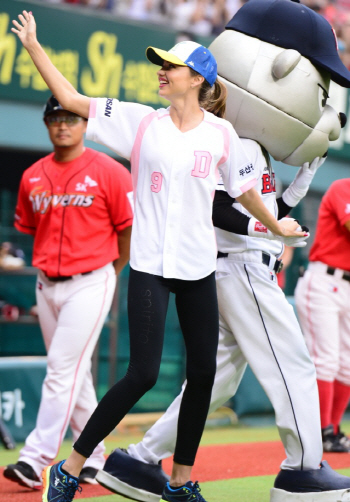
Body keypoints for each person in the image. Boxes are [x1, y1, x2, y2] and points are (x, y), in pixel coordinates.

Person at [11, 10, 307, 502]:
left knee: (204, 374)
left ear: (197, 80)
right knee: (143, 373)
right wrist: (34, 47)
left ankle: (180, 481)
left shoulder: (221, 135)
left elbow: (245, 190)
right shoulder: (138, 122)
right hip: (149, 267)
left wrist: (276, 225)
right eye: (161, 63)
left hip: (198, 269)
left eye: (170, 65)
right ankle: (69, 468)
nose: (161, 70)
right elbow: (69, 99)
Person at [95, 151, 350, 502]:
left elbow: (259, 212)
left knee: (216, 382)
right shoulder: (240, 140)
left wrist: (294, 192)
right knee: (294, 365)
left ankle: (139, 461)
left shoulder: (254, 145)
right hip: (243, 268)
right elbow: (216, 207)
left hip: (239, 268)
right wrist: (267, 227)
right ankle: (303, 470)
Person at [2, 95, 133, 490]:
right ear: (46, 124)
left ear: (84, 125)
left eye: (71, 118)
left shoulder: (110, 171)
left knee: (61, 369)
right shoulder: (32, 176)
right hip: (47, 284)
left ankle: (34, 458)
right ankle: (94, 457)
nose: (63, 125)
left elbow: (128, 228)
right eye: (55, 118)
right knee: (76, 377)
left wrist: (112, 270)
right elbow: (29, 228)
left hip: (92, 279)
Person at [295, 178, 350, 453]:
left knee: (348, 364)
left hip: (347, 287)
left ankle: (334, 430)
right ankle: (319, 430)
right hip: (324, 280)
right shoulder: (343, 186)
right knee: (326, 358)